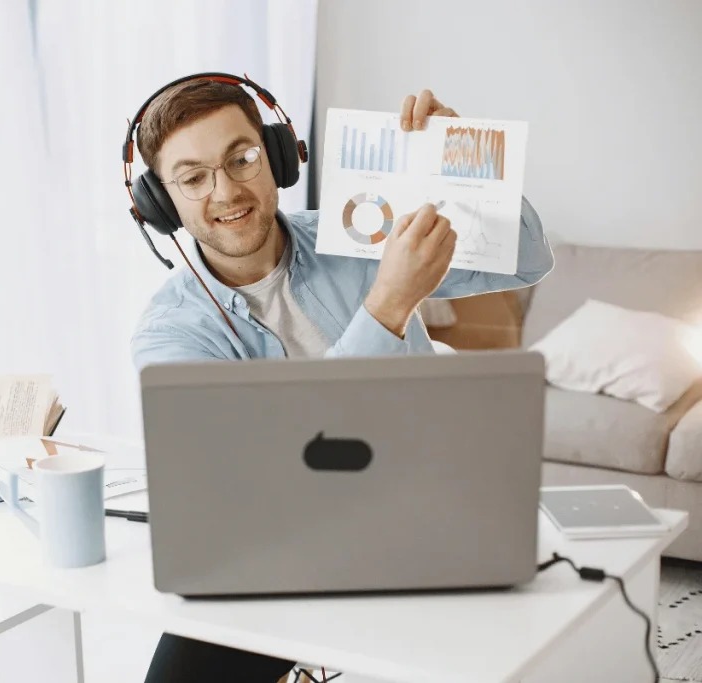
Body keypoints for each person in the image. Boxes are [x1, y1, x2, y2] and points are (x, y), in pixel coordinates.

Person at [128, 79, 554, 682]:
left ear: (277, 158)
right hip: (276, 555)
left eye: (242, 159)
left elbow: (529, 256)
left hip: (426, 515)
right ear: (162, 203)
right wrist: (388, 304)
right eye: (192, 178)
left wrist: (460, 164)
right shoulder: (168, 334)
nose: (225, 191)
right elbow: (275, 468)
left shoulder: (359, 233)